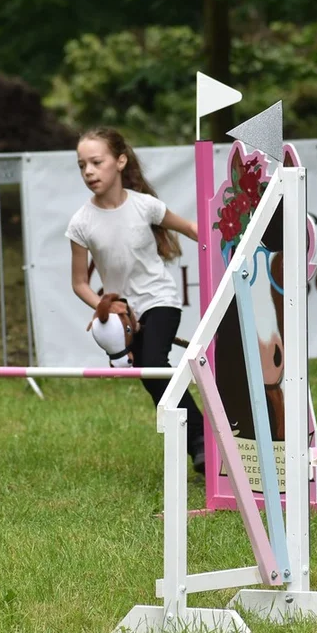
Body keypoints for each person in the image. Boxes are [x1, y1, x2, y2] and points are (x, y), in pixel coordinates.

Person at [66, 127, 206, 476]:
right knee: (148, 373)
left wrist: (229, 238)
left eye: (96, 162)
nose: (89, 172)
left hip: (160, 300)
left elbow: (190, 228)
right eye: (82, 165)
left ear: (120, 161)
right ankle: (202, 439)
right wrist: (103, 305)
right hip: (124, 313)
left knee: (152, 361)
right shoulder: (80, 223)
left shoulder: (145, 206)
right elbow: (79, 283)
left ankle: (202, 443)